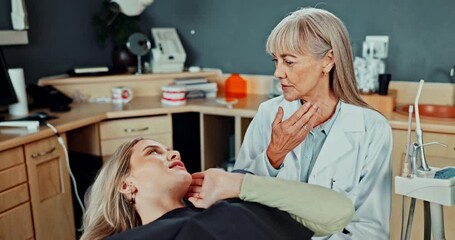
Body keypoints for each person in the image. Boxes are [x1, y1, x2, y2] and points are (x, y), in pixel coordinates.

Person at [233, 7, 393, 240]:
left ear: (328, 61)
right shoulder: (269, 113)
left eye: (289, 61)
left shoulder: (372, 129)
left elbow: (370, 229)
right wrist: (273, 155)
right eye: (276, 61)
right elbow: (237, 196)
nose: (278, 72)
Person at [80, 137, 354, 240]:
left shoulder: (234, 202)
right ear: (126, 185)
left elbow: (339, 212)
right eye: (153, 152)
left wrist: (234, 183)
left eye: (169, 149)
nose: (173, 152)